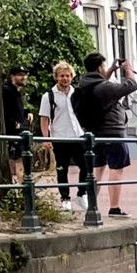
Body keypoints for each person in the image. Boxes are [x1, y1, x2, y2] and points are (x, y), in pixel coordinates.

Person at [73, 54, 137, 215]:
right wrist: (128, 69)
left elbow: (100, 85)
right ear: (99, 67)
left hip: (94, 134)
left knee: (97, 170)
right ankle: (114, 207)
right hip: (113, 133)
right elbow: (131, 85)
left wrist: (111, 70)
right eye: (104, 66)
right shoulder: (104, 88)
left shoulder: (83, 86)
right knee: (116, 169)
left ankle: (92, 207)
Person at [38, 61, 89, 201]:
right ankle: (65, 198)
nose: (65, 79)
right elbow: (44, 118)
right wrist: (46, 138)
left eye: (67, 76)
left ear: (72, 77)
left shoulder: (77, 93)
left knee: (86, 165)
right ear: (56, 77)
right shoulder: (48, 96)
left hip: (78, 135)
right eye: (62, 76)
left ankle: (81, 193)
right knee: (62, 169)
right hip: (60, 137)